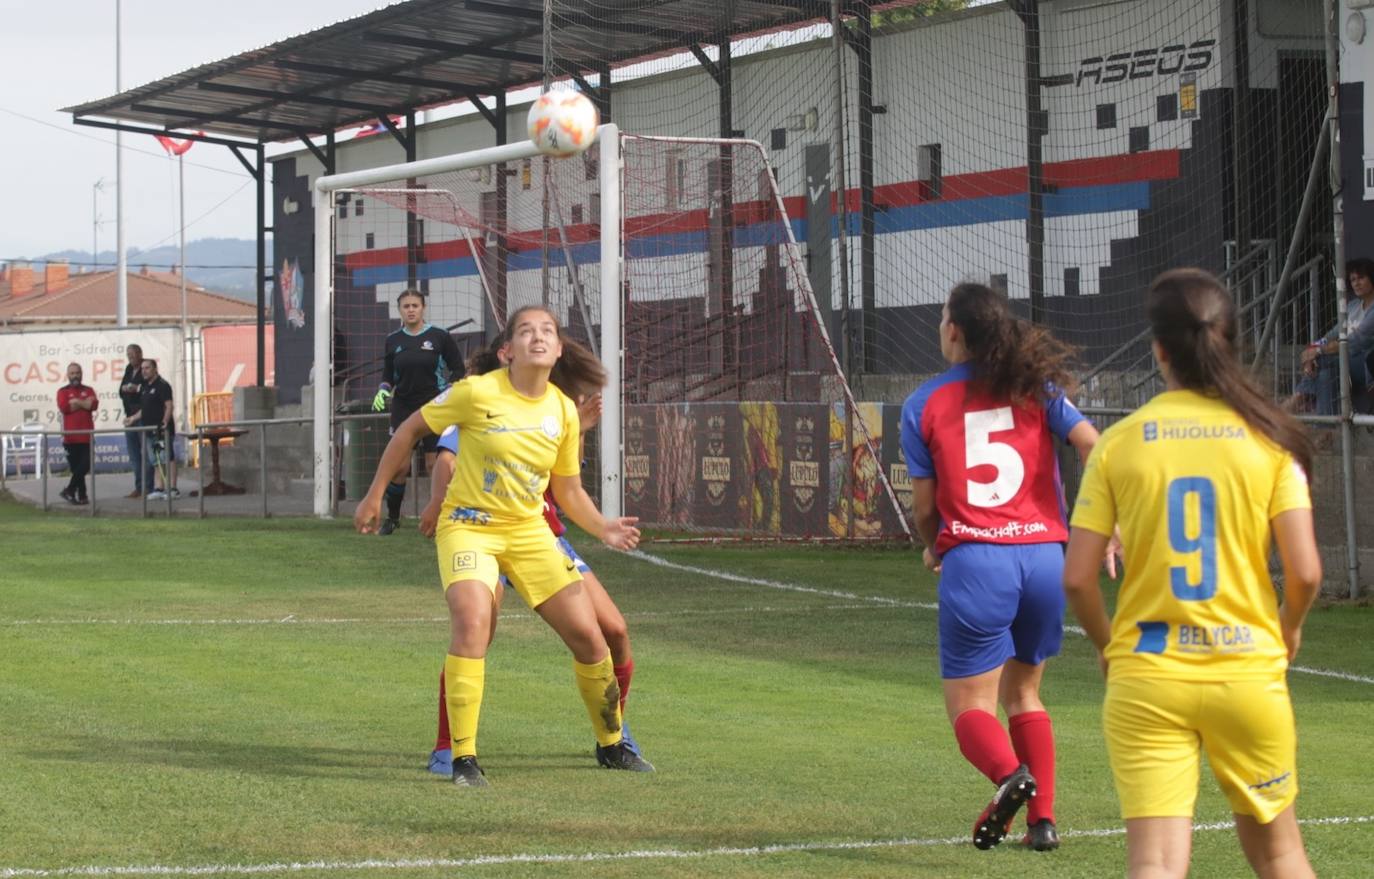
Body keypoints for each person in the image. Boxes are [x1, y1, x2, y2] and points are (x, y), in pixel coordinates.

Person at [1063, 268, 1322, 879]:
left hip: (1149, 673)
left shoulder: (1120, 443)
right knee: (1280, 854)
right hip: (1245, 670)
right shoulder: (1269, 440)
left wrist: (1109, 646)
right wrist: (1288, 626)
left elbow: (1077, 578)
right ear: (1228, 339)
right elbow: (1306, 572)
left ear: (1159, 350)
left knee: (1155, 862)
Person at [355, 305, 649, 787]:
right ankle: (462, 757)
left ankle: (612, 744)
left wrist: (603, 528)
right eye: (527, 331)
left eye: (547, 331)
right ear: (507, 351)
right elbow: (410, 430)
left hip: (530, 533)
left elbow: (568, 490)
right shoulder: (476, 393)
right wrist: (374, 495)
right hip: (469, 527)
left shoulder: (562, 410)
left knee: (592, 637)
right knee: (473, 623)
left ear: (558, 350)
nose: (539, 336)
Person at [899, 282, 1111, 852]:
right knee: (1025, 694)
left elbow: (925, 508)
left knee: (971, 706)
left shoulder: (924, 402)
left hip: (978, 560)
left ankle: (1010, 777)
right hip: (1043, 558)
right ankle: (1043, 823)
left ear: (953, 331)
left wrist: (935, 547)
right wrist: (1105, 520)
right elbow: (1093, 443)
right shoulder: (1034, 385)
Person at [418, 392, 645, 775]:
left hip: (540, 537)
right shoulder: (488, 397)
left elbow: (564, 482)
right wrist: (437, 501)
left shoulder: (557, 407)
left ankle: (613, 734)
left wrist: (579, 429)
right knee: (475, 634)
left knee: (615, 631)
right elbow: (446, 459)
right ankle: (446, 748)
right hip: (482, 534)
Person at [371, 289, 464, 535]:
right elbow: (388, 374)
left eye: (415, 305)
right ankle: (393, 518)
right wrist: (383, 390)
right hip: (403, 406)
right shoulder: (393, 340)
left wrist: (451, 388)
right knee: (400, 467)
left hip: (435, 406)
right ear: (399, 310)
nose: (411, 310)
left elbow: (458, 369)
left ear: (423, 308)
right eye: (406, 306)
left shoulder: (440, 337)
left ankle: (442, 518)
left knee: (436, 464)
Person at [1290, 257, 1374, 415]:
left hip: (1365, 365)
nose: (1356, 283)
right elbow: (1332, 334)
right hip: (1342, 363)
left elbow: (1355, 341)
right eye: (1353, 279)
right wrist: (1313, 348)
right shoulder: (1352, 306)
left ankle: (1297, 399)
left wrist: (1317, 352)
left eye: (1361, 278)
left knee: (1323, 361)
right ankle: (1325, 426)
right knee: (1325, 375)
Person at [126, 358, 178, 500]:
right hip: (149, 430)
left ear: (155, 369)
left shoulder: (163, 385)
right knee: (156, 459)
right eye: (142, 368)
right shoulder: (145, 387)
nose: (144, 371)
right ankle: (159, 488)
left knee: (167, 457)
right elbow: (145, 409)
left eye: (147, 368)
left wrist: (165, 421)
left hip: (161, 430)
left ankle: (173, 489)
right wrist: (132, 418)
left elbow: (169, 406)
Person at [56, 362, 98, 505]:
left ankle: (69, 491)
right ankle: (82, 496)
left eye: (77, 373)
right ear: (68, 375)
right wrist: (84, 403)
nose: (75, 376)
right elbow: (65, 408)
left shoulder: (89, 389)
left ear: (81, 374)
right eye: (72, 373)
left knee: (85, 465)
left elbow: (93, 405)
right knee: (77, 469)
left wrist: (77, 402)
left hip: (87, 436)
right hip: (70, 438)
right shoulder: (62, 391)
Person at [119, 344, 146, 498]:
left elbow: (148, 388)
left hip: (143, 417)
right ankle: (139, 486)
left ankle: (149, 487)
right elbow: (121, 390)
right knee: (134, 455)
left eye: (133, 353)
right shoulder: (129, 369)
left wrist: (136, 388)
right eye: (128, 354)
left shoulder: (146, 367)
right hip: (129, 417)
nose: (130, 357)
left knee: (146, 454)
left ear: (140, 353)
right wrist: (126, 389)